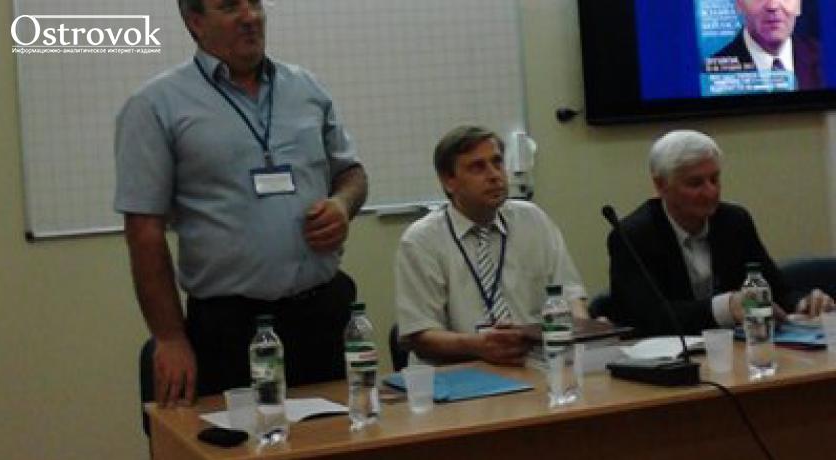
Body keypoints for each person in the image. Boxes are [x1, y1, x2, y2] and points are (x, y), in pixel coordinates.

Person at [115, 0, 368, 408]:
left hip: (322, 312)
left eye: (255, 3)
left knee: (337, 436)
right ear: (195, 21)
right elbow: (144, 231)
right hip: (229, 327)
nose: (250, 17)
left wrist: (342, 204)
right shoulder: (156, 105)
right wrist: (170, 337)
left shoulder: (306, 88)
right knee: (243, 438)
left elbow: (351, 173)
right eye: (230, 6)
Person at [606, 129, 833, 337]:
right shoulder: (633, 236)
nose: (711, 191)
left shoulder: (734, 221)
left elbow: (775, 291)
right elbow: (648, 317)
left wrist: (803, 303)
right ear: (660, 185)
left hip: (738, 351)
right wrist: (727, 307)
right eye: (695, 183)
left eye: (714, 179)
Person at [394, 125, 587, 366]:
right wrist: (478, 345)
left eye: (497, 162)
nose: (494, 175)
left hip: (537, 363)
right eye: (478, 167)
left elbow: (571, 295)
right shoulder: (421, 241)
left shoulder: (532, 220)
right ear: (449, 181)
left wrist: (584, 333)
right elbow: (419, 334)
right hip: (461, 371)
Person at [706, 0, 821, 90]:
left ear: (799, 5)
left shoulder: (826, 59)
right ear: (739, 4)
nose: (773, 6)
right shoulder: (711, 73)